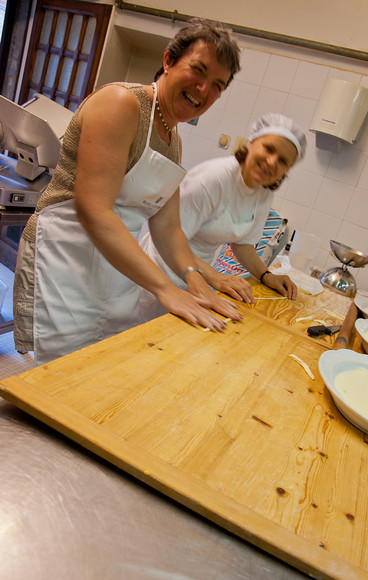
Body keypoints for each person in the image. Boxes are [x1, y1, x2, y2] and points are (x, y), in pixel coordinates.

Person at [13, 18, 242, 366]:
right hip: (65, 258)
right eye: (198, 70)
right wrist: (164, 289)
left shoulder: (172, 140)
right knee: (59, 376)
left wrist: (193, 278)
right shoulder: (122, 104)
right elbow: (94, 209)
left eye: (217, 85)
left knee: (102, 367)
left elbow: (167, 227)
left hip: (114, 271)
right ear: (168, 61)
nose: (203, 89)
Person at [139, 113, 307, 323]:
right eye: (269, 148)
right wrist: (216, 278)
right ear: (252, 142)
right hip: (158, 273)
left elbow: (242, 245)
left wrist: (267, 276)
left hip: (197, 278)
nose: (271, 162)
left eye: (282, 161)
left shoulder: (263, 192)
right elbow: (168, 237)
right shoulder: (214, 178)